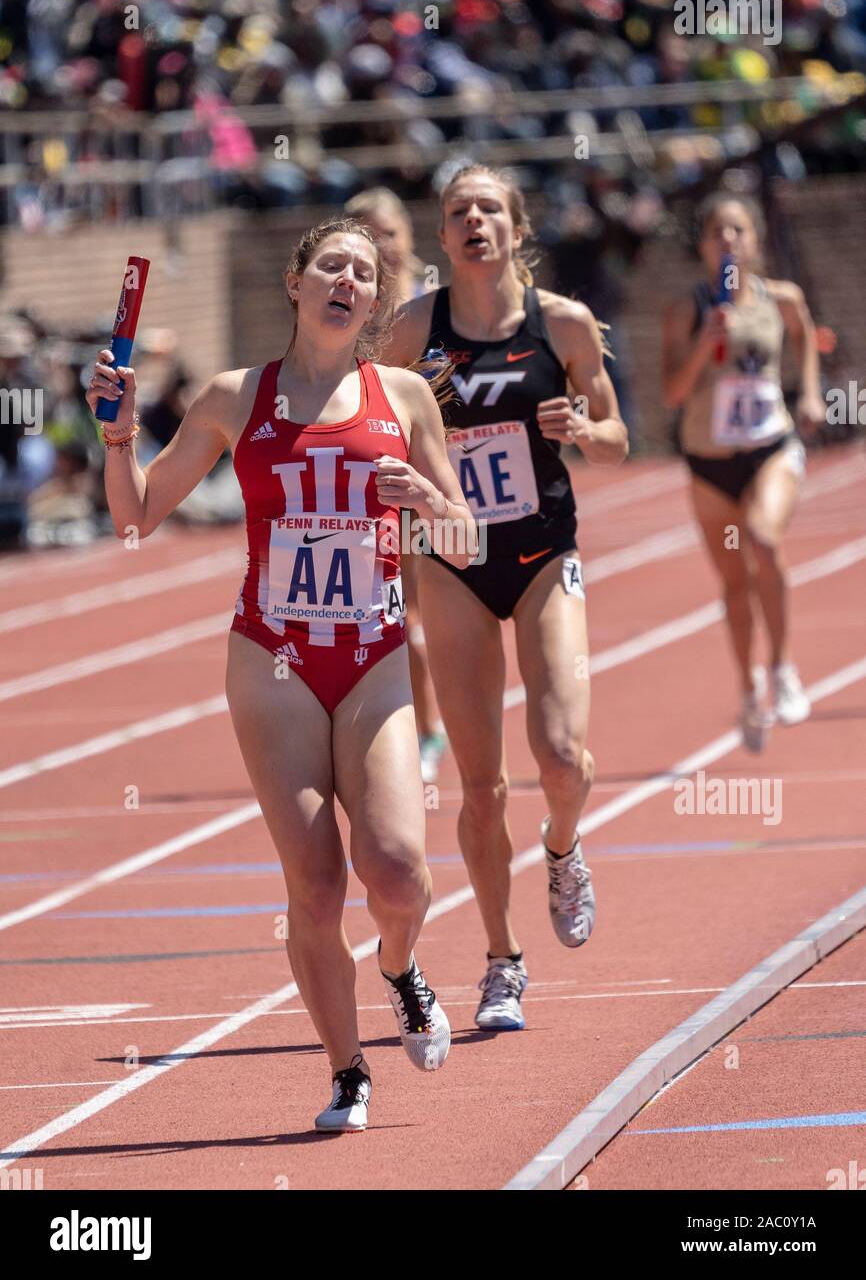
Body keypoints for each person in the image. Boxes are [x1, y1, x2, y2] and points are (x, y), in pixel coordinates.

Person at [86, 217, 477, 1132]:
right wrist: (117, 437)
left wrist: (426, 499)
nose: (347, 281)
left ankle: (398, 965)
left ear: (374, 302)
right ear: (296, 283)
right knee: (317, 883)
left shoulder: (405, 397)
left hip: (373, 653)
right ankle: (347, 1072)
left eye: (363, 273)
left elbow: (466, 540)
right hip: (273, 657)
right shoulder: (234, 397)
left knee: (397, 871)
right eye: (331, 266)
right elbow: (135, 518)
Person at [381, 164, 628, 1032]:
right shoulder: (414, 328)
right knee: (481, 786)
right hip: (453, 560)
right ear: (443, 236)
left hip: (540, 553)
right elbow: (365, 417)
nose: (474, 221)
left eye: (489, 208)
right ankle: (501, 960)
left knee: (561, 757)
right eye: (459, 211)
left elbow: (618, 438)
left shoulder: (561, 323)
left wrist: (584, 429)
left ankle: (563, 846)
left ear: (516, 229)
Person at [662, 193, 825, 750]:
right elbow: (672, 393)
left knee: (763, 540)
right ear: (703, 245)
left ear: (754, 241)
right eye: (716, 231)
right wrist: (704, 342)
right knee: (734, 584)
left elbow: (804, 335)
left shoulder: (782, 298)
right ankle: (748, 686)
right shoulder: (685, 310)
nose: (727, 239)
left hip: (769, 446)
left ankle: (782, 666)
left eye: (737, 230)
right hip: (709, 461)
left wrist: (810, 392)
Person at [344, 187, 449, 782]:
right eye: (366, 232)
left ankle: (441, 721)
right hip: (381, 478)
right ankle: (425, 730)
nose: (380, 244)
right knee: (400, 612)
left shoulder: (434, 301)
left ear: (409, 235)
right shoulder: (352, 304)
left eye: (388, 231)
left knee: (446, 610)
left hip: (441, 474)